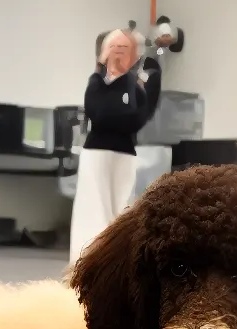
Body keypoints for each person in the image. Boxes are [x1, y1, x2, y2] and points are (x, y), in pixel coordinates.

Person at [68, 29, 161, 264]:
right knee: (93, 209)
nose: (119, 54)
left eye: (125, 49)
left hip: (125, 154)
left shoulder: (134, 86)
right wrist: (120, 113)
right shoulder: (96, 82)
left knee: (119, 211)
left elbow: (138, 117)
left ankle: (113, 265)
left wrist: (120, 111)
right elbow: (98, 113)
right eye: (114, 49)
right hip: (96, 153)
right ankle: (85, 263)